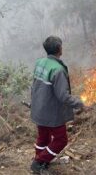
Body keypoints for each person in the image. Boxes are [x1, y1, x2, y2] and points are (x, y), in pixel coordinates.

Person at [30, 36, 84, 173]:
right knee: (61, 139)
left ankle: (41, 159)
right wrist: (79, 103)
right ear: (59, 49)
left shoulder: (39, 63)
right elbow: (63, 96)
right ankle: (39, 162)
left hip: (39, 109)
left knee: (43, 137)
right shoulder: (58, 70)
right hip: (51, 113)